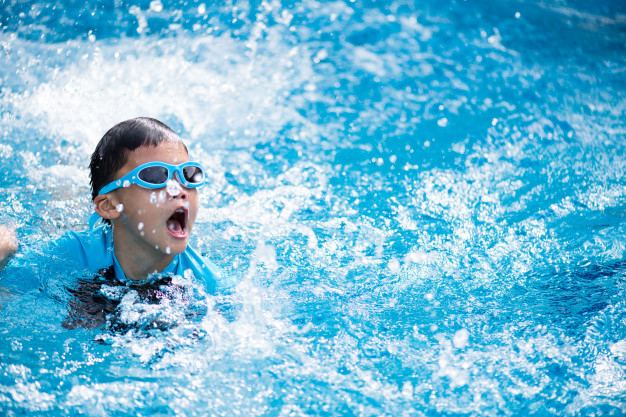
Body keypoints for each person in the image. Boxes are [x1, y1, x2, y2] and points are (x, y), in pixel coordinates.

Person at [0, 117, 220, 310]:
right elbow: (11, 280)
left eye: (188, 175)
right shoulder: (76, 252)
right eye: (154, 176)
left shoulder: (208, 282)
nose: (179, 190)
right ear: (110, 205)